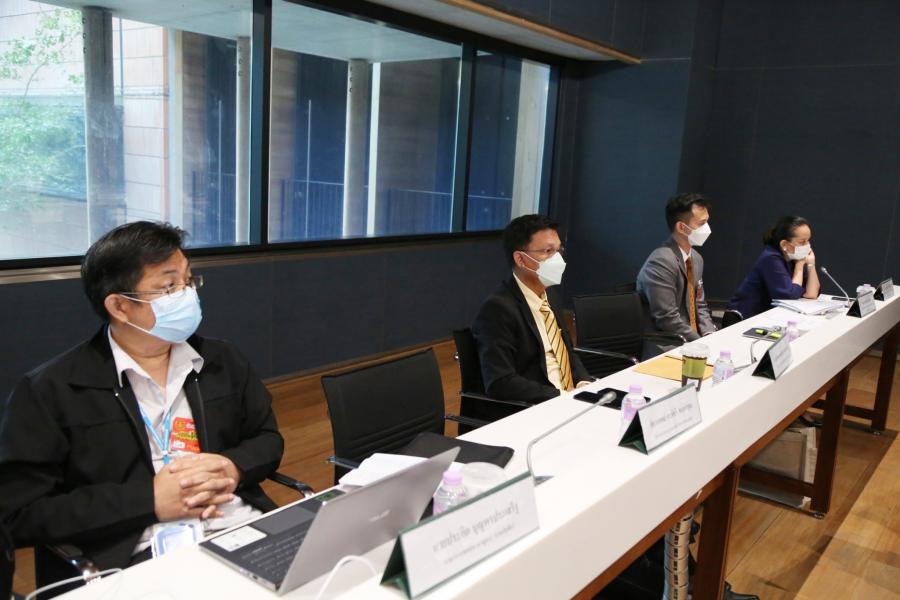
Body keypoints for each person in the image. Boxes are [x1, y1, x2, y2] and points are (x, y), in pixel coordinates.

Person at [0, 222, 284, 593]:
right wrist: (149, 500)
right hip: (135, 556)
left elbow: (267, 439)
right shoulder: (52, 390)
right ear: (119, 306)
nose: (186, 295)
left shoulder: (221, 360)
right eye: (168, 287)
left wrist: (233, 467)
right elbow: (21, 513)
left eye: (188, 281)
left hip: (237, 529)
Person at [471, 214, 592, 418]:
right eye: (547, 251)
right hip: (533, 409)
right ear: (520, 259)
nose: (558, 259)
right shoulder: (498, 309)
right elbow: (501, 381)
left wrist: (583, 382)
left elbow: (567, 351)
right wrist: (560, 397)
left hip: (569, 401)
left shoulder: (550, 295)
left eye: (559, 250)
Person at [637, 192, 716, 342]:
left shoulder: (696, 259)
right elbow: (667, 319)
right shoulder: (661, 261)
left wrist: (709, 334)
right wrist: (700, 342)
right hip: (666, 342)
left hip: (691, 339)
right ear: (681, 227)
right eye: (701, 223)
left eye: (707, 221)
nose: (707, 228)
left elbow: (700, 305)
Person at [728, 216, 820, 319]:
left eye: (808, 240)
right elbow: (789, 297)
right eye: (802, 242)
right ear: (784, 244)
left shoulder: (794, 258)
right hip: (744, 318)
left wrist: (812, 264)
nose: (808, 246)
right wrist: (799, 266)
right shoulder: (771, 258)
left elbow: (811, 294)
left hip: (767, 317)